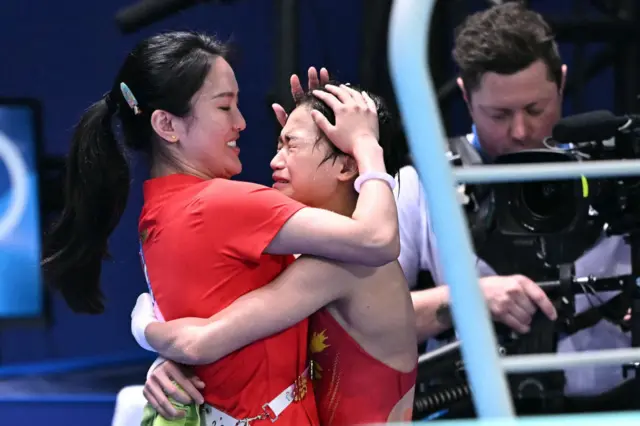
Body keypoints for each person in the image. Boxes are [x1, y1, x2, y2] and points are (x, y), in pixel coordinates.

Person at [40, 31, 401, 426]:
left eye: (287, 144)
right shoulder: (223, 204)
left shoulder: (161, 211)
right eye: (225, 107)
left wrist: (147, 331)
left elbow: (201, 331)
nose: (242, 123)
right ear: (167, 125)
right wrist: (364, 145)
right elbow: (377, 239)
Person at [131, 83, 418, 425]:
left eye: (290, 145)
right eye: (278, 145)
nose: (273, 161)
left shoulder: (343, 264)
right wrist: (167, 363)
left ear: (345, 167)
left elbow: (199, 341)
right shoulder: (308, 257)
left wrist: (142, 324)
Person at [401, 2, 631, 407]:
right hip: (472, 410)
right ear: (465, 98)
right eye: (499, 114)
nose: (521, 131)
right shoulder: (422, 187)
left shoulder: (622, 176)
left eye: (534, 109)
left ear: (561, 83)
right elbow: (358, 322)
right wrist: (462, 302)